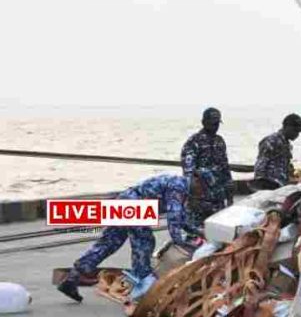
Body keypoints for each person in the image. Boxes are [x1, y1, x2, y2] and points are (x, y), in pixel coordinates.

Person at [56, 174, 201, 302]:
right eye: (204, 187)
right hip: (133, 204)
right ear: (196, 180)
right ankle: (143, 284)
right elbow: (174, 220)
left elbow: (181, 219)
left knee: (108, 243)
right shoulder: (179, 187)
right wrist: (180, 243)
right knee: (144, 242)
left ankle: (71, 279)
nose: (204, 192)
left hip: (125, 200)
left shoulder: (181, 186)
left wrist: (198, 232)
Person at [180, 107, 233, 229]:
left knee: (218, 232)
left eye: (218, 123)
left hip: (218, 199)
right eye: (213, 122)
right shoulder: (194, 142)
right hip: (200, 200)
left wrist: (230, 197)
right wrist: (193, 198)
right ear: (204, 122)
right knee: (196, 234)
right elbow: (189, 173)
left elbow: (225, 168)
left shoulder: (220, 141)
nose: (216, 126)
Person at [252, 113, 301, 190]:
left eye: (299, 132)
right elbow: (260, 166)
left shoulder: (286, 144)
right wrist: (261, 188)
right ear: (287, 127)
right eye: (295, 131)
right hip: (269, 186)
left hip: (280, 186)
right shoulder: (271, 141)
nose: (297, 134)